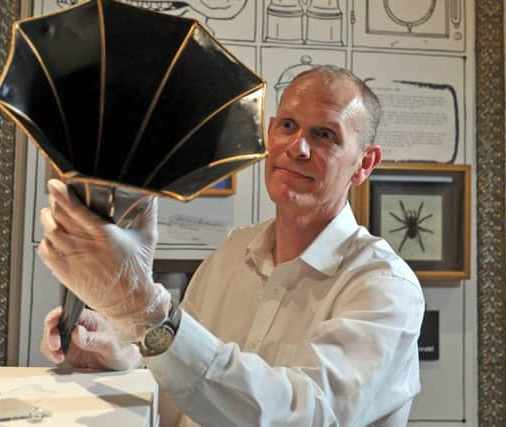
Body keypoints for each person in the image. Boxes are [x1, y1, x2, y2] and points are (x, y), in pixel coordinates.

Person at [38, 65, 425, 426]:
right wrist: (120, 355)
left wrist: (145, 309)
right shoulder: (231, 254)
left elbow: (304, 414)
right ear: (270, 133)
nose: (297, 147)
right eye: (287, 126)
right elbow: (184, 395)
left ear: (364, 164)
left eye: (324, 135)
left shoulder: (385, 288)